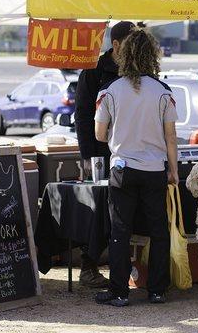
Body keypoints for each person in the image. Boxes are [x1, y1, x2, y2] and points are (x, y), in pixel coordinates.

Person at [94, 28, 179, 307]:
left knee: (120, 230)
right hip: (155, 168)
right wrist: (174, 171)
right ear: (152, 56)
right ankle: (157, 289)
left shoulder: (110, 91)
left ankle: (119, 291)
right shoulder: (163, 92)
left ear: (124, 55)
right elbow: (170, 137)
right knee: (158, 230)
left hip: (122, 168)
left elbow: (99, 134)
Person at [74, 21, 136, 288]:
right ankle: (89, 266)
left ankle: (128, 266)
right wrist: (88, 158)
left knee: (125, 212)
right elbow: (83, 117)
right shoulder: (93, 71)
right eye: (131, 44)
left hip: (132, 152)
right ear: (117, 45)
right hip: (101, 153)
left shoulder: (138, 70)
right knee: (101, 211)